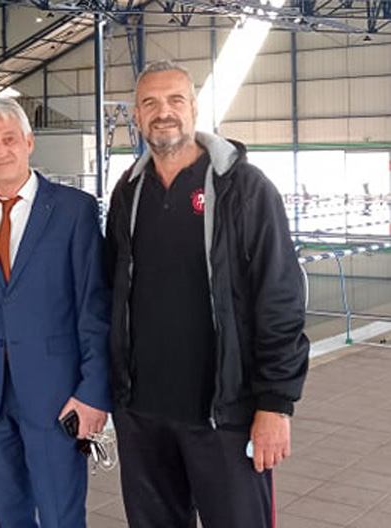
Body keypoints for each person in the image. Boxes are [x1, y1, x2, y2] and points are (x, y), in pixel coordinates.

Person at [105, 59, 309, 528]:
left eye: (175, 100)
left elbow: (280, 298)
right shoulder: (128, 193)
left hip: (225, 414)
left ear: (194, 108)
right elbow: (111, 294)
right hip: (143, 415)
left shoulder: (246, 189)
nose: (164, 112)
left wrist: (276, 403)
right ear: (137, 115)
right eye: (150, 103)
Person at [0, 98, 111, 528]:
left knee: (60, 516)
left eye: (9, 139)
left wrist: (93, 391)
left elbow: (93, 306)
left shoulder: (74, 209)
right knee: (10, 515)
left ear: (29, 142)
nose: (1, 151)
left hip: (57, 392)